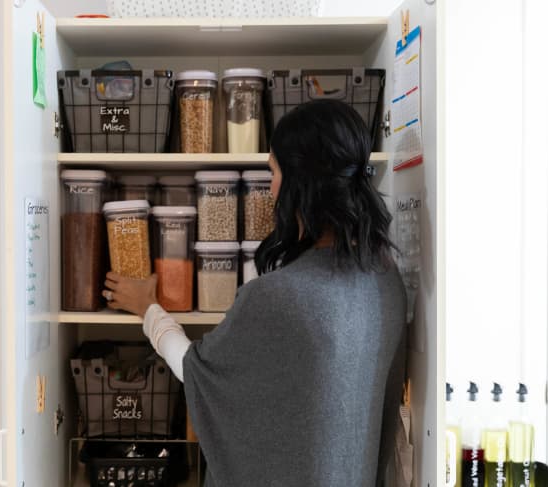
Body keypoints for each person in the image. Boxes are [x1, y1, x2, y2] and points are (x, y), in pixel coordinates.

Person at [102, 99, 407, 486]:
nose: (271, 187)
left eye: (273, 171)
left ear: (299, 181)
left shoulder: (278, 297)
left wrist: (148, 307)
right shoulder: (384, 280)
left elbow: (196, 371)